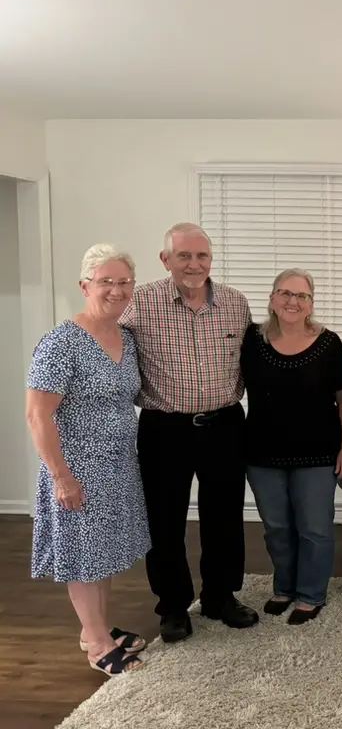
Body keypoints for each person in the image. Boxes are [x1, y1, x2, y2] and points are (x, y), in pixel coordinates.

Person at [121, 223, 257, 643]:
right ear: (166, 260)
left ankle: (220, 596)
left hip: (225, 424)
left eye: (201, 256)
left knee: (224, 517)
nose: (194, 264)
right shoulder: (140, 303)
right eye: (183, 256)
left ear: (211, 260)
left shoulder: (236, 304)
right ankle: (174, 607)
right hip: (166, 428)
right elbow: (108, 346)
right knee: (164, 522)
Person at [26, 244, 150, 676]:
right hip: (77, 468)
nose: (116, 290)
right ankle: (97, 644)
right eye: (106, 282)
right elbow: (37, 413)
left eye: (124, 282)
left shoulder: (126, 337)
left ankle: (96, 628)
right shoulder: (63, 342)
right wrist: (61, 477)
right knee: (83, 553)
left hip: (118, 464)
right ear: (85, 286)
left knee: (104, 552)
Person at [241, 269, 342, 626]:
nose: (293, 301)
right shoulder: (252, 341)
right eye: (285, 293)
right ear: (272, 299)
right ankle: (284, 587)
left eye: (301, 296)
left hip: (318, 451)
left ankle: (311, 593)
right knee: (276, 527)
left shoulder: (329, 343)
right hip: (262, 451)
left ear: (311, 303)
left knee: (315, 527)